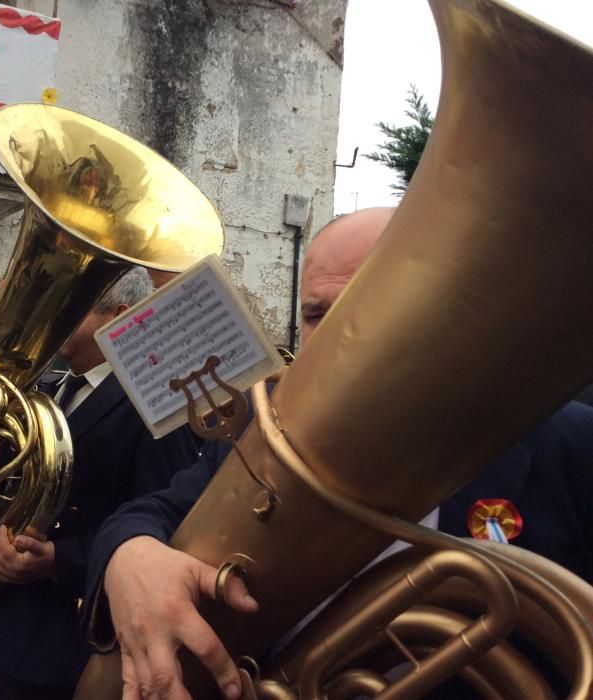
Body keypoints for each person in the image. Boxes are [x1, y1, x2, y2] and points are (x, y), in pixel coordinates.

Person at [84, 208, 593, 699]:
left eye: (367, 302)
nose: (339, 336)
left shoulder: (571, 447)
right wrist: (129, 557)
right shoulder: (270, 431)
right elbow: (151, 512)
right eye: (316, 313)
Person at [0, 267, 203, 699]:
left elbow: (164, 528)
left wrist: (57, 560)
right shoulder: (40, 389)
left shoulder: (155, 405)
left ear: (118, 316)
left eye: (73, 309)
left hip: (53, 648)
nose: (52, 319)